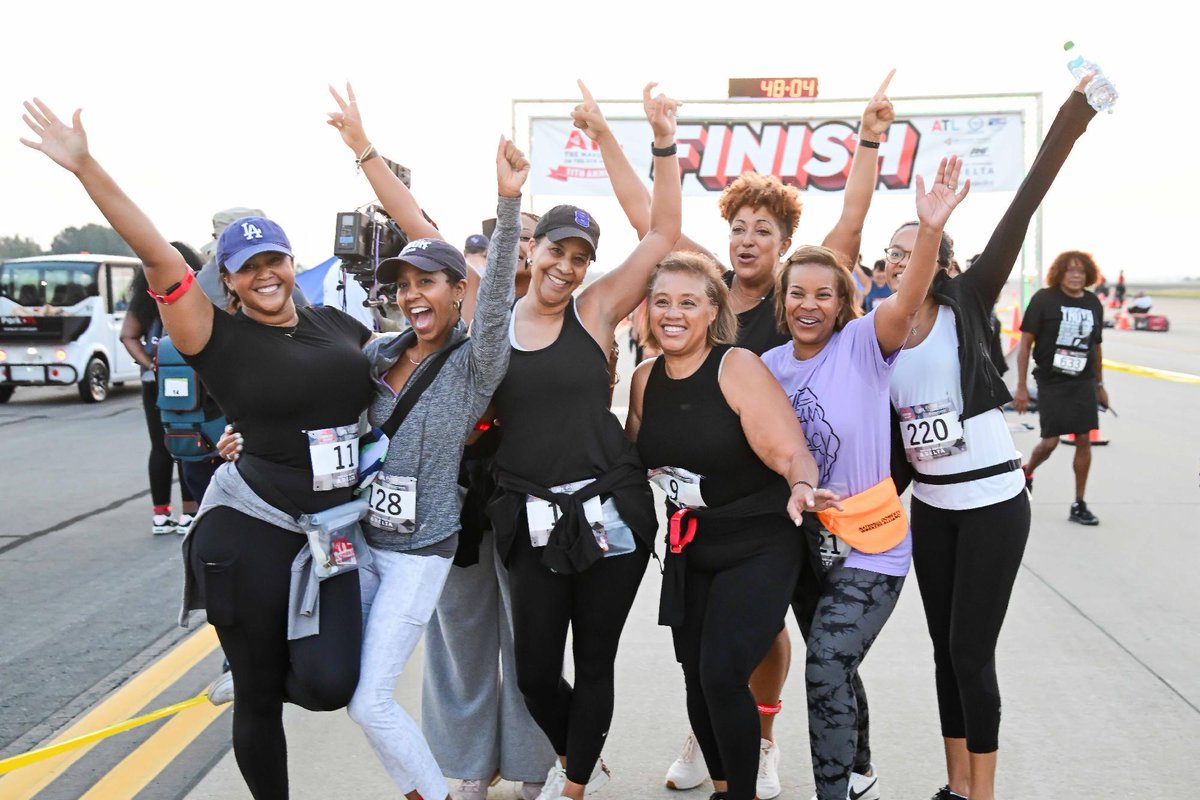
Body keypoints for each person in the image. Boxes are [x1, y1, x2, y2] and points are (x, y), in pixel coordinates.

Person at [21, 98, 371, 800]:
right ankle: (256, 688)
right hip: (249, 536)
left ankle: (253, 664)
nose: (265, 274)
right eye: (247, 267)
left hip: (330, 535)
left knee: (332, 685)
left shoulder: (339, 323)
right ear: (230, 282)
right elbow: (155, 253)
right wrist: (86, 166)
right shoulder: (214, 337)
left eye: (274, 258)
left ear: (290, 259)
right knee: (260, 702)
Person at [571, 72, 896, 799]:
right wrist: (621, 138)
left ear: (785, 243)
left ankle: (784, 742)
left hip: (804, 497)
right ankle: (730, 732)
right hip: (707, 515)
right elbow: (642, 218)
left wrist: (869, 138)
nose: (748, 240)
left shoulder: (795, 299)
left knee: (818, 640)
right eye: (739, 229)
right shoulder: (700, 292)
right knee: (723, 649)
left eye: (764, 232)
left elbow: (852, 216)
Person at [323, 83, 554, 800]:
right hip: (363, 543)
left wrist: (509, 202)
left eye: (431, 281)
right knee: (338, 673)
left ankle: (500, 773)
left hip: (427, 547)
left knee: (387, 693)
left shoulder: (476, 359)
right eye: (404, 283)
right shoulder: (377, 353)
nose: (414, 293)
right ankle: (456, 774)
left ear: (460, 290)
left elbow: (474, 279)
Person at [886, 77, 1097, 800]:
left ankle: (985, 793)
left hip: (993, 504)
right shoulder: (874, 338)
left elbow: (1028, 197)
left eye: (918, 248)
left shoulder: (967, 303)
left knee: (972, 651)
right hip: (932, 511)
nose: (900, 261)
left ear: (944, 262)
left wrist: (1075, 114)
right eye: (891, 252)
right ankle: (955, 786)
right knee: (944, 652)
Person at [485, 83, 681, 800]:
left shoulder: (596, 308)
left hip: (610, 506)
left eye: (580, 256)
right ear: (531, 249)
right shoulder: (492, 322)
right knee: (535, 669)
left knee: (595, 661)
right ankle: (580, 752)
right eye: (557, 251)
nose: (566, 266)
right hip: (532, 513)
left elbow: (661, 235)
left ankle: (573, 788)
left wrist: (653, 139)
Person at [763, 156, 967, 800]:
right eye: (798, 292)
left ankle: (835, 791)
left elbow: (907, 300)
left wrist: (928, 233)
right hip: (802, 547)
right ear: (782, 299)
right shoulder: (764, 365)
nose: (809, 304)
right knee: (838, 665)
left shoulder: (865, 344)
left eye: (824, 293)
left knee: (825, 662)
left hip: (871, 542)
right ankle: (859, 768)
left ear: (844, 301)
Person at [626, 252, 837, 800]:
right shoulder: (645, 378)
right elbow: (630, 452)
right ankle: (725, 786)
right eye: (663, 301)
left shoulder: (735, 366)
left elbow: (792, 452)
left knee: (721, 673)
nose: (674, 314)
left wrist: (801, 486)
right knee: (698, 680)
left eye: (689, 302)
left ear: (713, 310)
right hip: (691, 548)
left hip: (758, 543)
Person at [1014, 250, 1107, 526]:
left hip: (1083, 382)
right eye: (1070, 271)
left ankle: (1079, 503)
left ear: (1088, 274)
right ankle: (1027, 472)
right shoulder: (1044, 299)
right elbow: (1024, 346)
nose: (1076, 275)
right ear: (1060, 273)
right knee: (1051, 441)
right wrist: (1021, 387)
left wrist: (1100, 384)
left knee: (1082, 438)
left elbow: (1097, 346)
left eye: (1080, 271)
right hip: (1052, 381)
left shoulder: (1093, 303)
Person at [119, 242, 201, 534]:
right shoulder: (192, 291)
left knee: (160, 446)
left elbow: (127, 336)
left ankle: (160, 515)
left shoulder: (143, 298)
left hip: (153, 382)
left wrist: (150, 365)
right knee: (187, 440)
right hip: (187, 380)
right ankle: (189, 514)